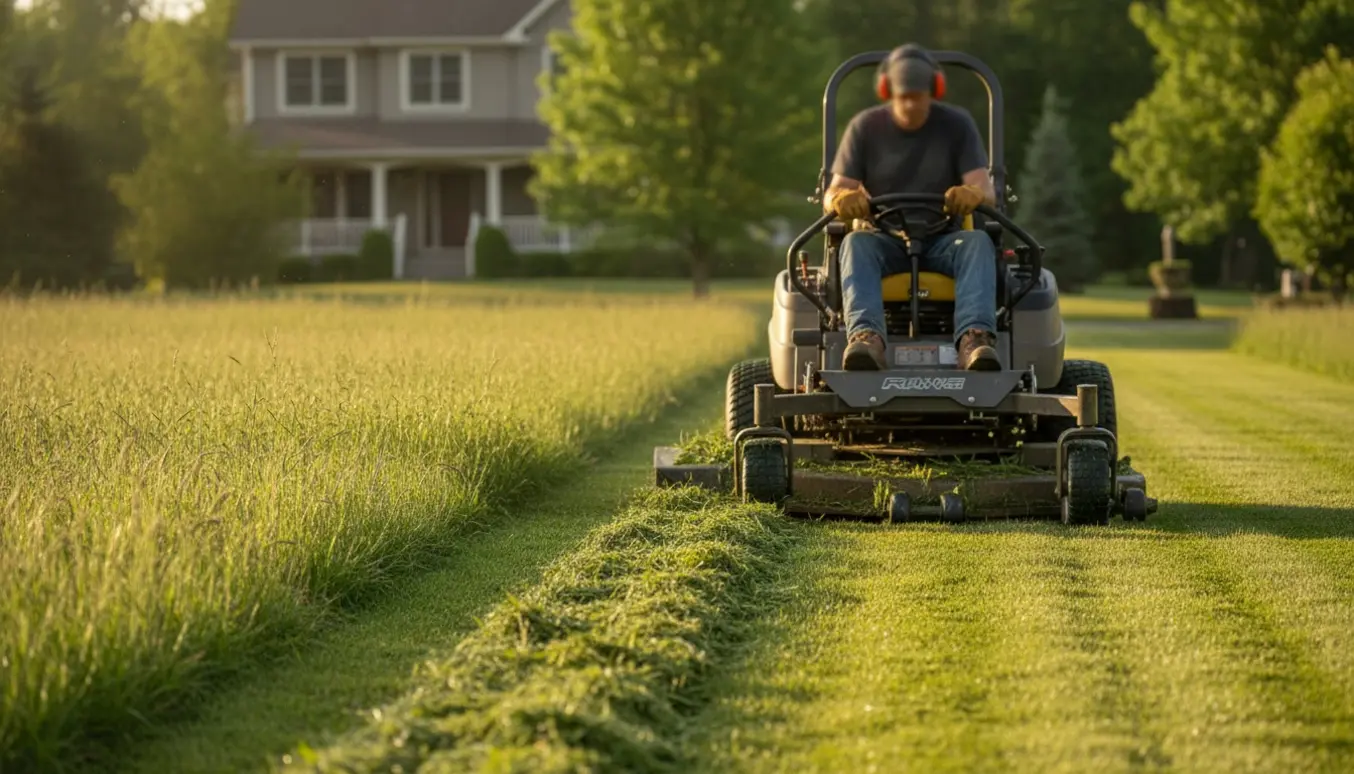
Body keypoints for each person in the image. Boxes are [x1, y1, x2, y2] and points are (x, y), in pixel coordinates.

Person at [823, 43, 1001, 372]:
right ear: (887, 91)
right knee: (855, 243)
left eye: (917, 96)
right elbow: (834, 191)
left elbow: (985, 189)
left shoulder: (956, 125)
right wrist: (840, 199)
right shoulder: (865, 127)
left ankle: (975, 341)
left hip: (944, 240)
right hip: (882, 238)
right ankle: (865, 339)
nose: (910, 104)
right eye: (903, 96)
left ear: (934, 91)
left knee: (977, 242)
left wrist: (973, 193)